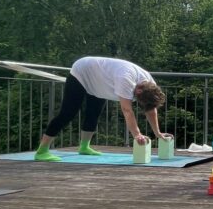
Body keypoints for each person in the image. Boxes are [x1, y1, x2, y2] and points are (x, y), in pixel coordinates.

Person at [35, 56, 170, 161]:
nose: (135, 100)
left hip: (100, 81)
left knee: (94, 113)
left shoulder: (150, 84)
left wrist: (158, 133)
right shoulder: (126, 80)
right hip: (82, 72)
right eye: (136, 98)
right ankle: (42, 151)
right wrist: (137, 135)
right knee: (68, 113)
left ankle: (84, 147)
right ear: (139, 90)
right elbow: (127, 111)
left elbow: (151, 109)